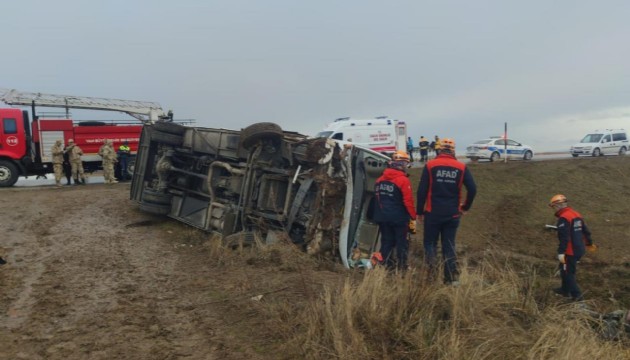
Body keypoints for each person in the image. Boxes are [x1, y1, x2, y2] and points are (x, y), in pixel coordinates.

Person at [416, 138, 476, 285]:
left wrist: (419, 212)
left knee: (430, 243)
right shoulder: (461, 167)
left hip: (433, 213)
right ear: (453, 150)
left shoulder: (430, 165)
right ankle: (450, 279)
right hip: (453, 214)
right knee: (449, 245)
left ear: (439, 150)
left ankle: (432, 275)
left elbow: (421, 191)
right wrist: (465, 207)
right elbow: (473, 189)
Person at [373, 150, 416, 271]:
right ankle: (402, 268)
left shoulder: (379, 180)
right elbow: (408, 201)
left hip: (382, 217)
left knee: (386, 243)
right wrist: (413, 216)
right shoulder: (403, 180)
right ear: (402, 164)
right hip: (399, 219)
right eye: (405, 164)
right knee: (401, 243)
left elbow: (377, 199)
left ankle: (382, 267)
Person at [548, 194, 596, 301]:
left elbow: (564, 238)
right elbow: (585, 231)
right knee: (564, 269)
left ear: (559, 205)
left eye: (554, 207)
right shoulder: (575, 214)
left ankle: (578, 297)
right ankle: (564, 290)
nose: (554, 209)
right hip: (579, 248)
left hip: (569, 251)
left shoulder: (564, 218)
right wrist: (589, 243)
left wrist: (561, 252)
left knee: (567, 272)